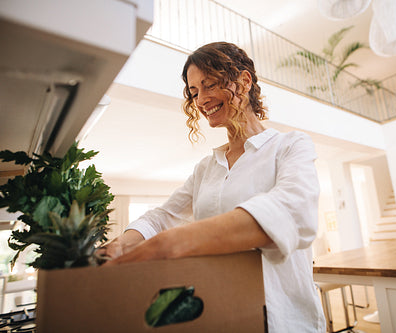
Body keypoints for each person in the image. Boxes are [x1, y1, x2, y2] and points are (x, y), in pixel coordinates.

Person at [102, 41, 326, 332]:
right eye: (194, 92)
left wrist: (175, 242)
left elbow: (296, 211)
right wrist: (122, 243)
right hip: (222, 315)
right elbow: (162, 216)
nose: (201, 99)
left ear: (244, 81)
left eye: (209, 85)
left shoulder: (290, 145)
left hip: (283, 319)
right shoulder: (207, 168)